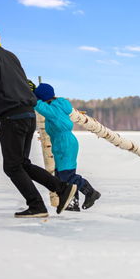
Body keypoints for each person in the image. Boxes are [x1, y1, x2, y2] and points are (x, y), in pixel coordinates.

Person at [0, 23, 76, 218]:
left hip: (12, 116)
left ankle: (37, 206)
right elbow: (25, 83)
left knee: (12, 167)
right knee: (22, 163)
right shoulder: (11, 56)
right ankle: (62, 188)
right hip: (27, 115)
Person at [32, 82, 101, 211]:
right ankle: (72, 203)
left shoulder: (51, 110)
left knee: (66, 175)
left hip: (64, 144)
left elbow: (38, 106)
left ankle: (91, 192)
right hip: (64, 142)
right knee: (61, 175)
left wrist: (29, 94)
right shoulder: (60, 105)